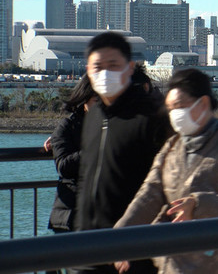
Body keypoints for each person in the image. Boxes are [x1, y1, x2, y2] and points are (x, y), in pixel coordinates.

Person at [113, 68, 218, 274]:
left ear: (203, 103)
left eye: (180, 106)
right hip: (173, 264)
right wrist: (120, 236)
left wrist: (199, 205)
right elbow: (149, 194)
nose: (175, 114)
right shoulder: (171, 148)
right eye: (171, 108)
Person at [76, 32, 172, 274]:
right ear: (88, 69)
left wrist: (141, 242)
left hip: (134, 252)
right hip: (87, 248)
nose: (104, 73)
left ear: (130, 68)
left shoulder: (152, 117)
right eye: (98, 66)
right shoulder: (94, 117)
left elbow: (169, 184)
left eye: (113, 65)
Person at [46, 76, 97, 235]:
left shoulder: (115, 127)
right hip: (71, 214)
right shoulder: (67, 127)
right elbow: (64, 167)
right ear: (84, 99)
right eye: (97, 99)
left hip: (102, 215)